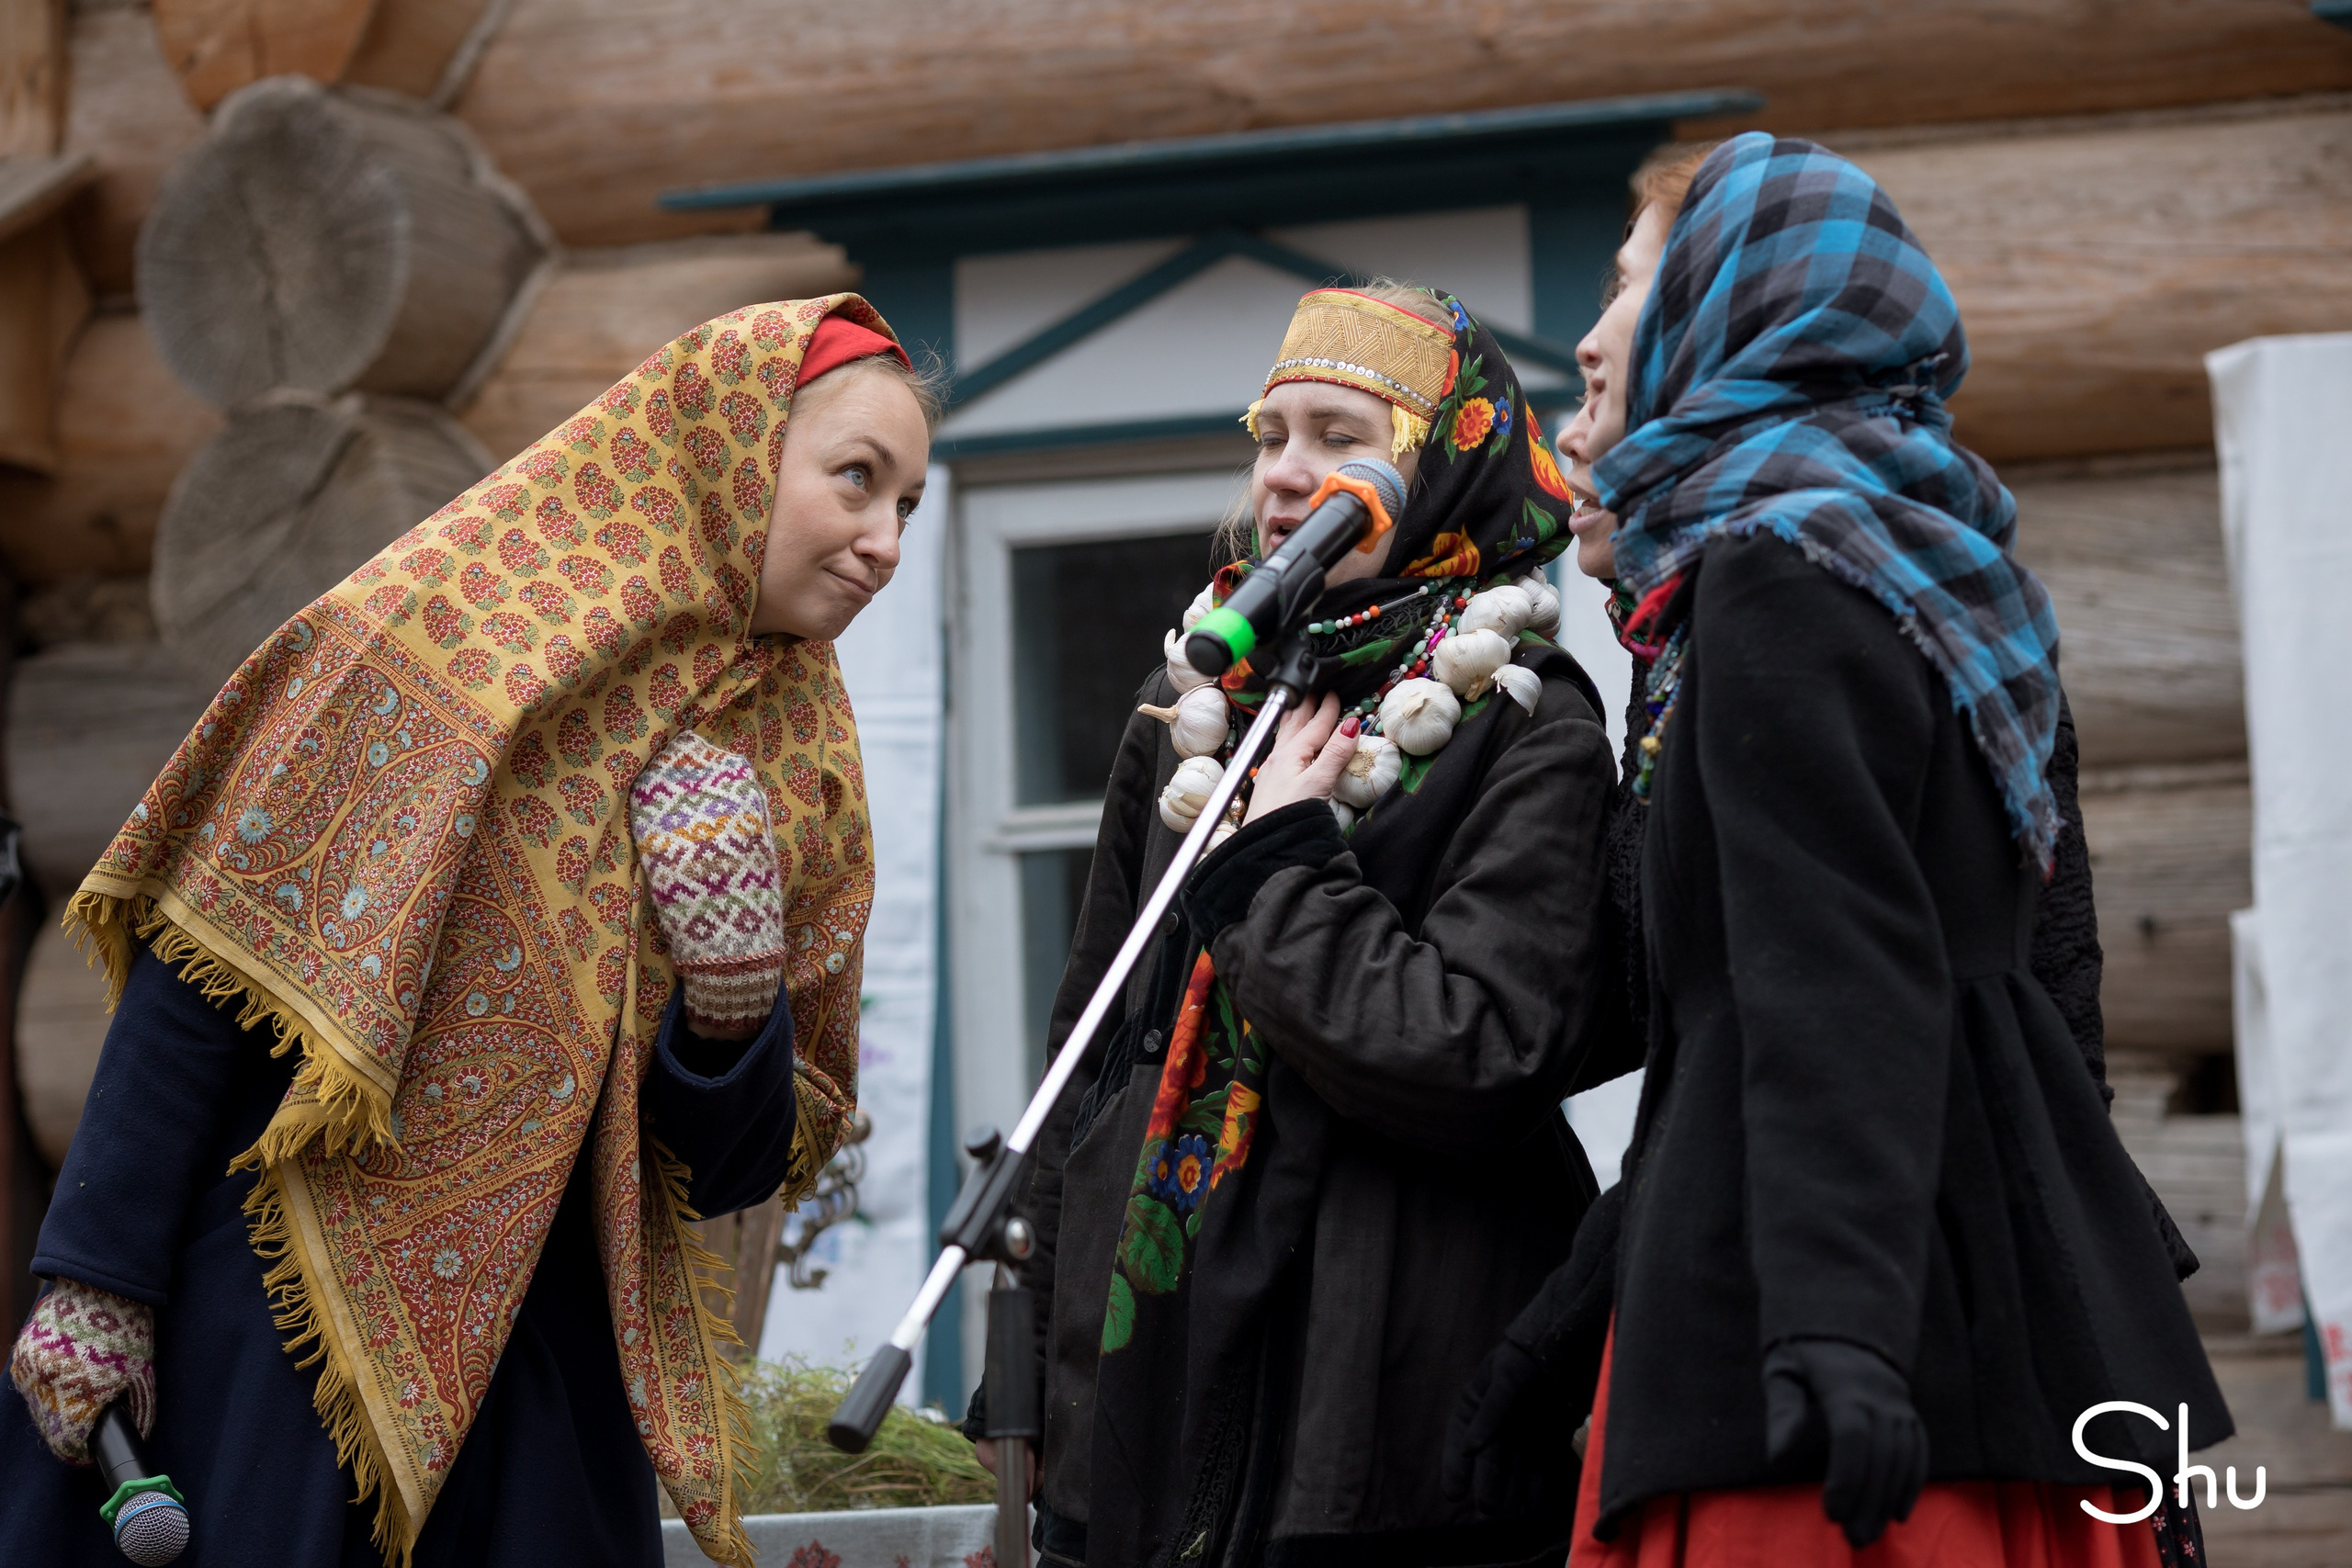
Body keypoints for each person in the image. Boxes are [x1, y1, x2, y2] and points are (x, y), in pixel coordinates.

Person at [4, 296, 937, 1567]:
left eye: (910, 508)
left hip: (551, 1385)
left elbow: (733, 1170)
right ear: (728, 445)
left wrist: (731, 999)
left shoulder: (800, 765)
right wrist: (94, 1281)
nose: (885, 541)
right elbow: (205, 969)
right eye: (856, 481)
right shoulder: (431, 634)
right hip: (290, 1330)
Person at [1469, 135, 2232, 1567]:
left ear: (1729, 302)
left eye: (1633, 281)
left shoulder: (1776, 571)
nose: (1586, 333)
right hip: (1974, 1296)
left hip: (1838, 1335)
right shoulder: (1913, 561)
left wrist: (1834, 1325)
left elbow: (1833, 982)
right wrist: (1562, 1324)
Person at [980, 281, 1621, 1568]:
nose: (1287, 475)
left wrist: (1279, 854)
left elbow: (1476, 1049)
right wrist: (1027, 1379)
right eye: (1271, 437)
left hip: (1378, 1397)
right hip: (1141, 1361)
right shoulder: (1192, 708)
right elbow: (1090, 1047)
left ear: (1448, 461)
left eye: (1341, 438)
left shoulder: (1525, 716)